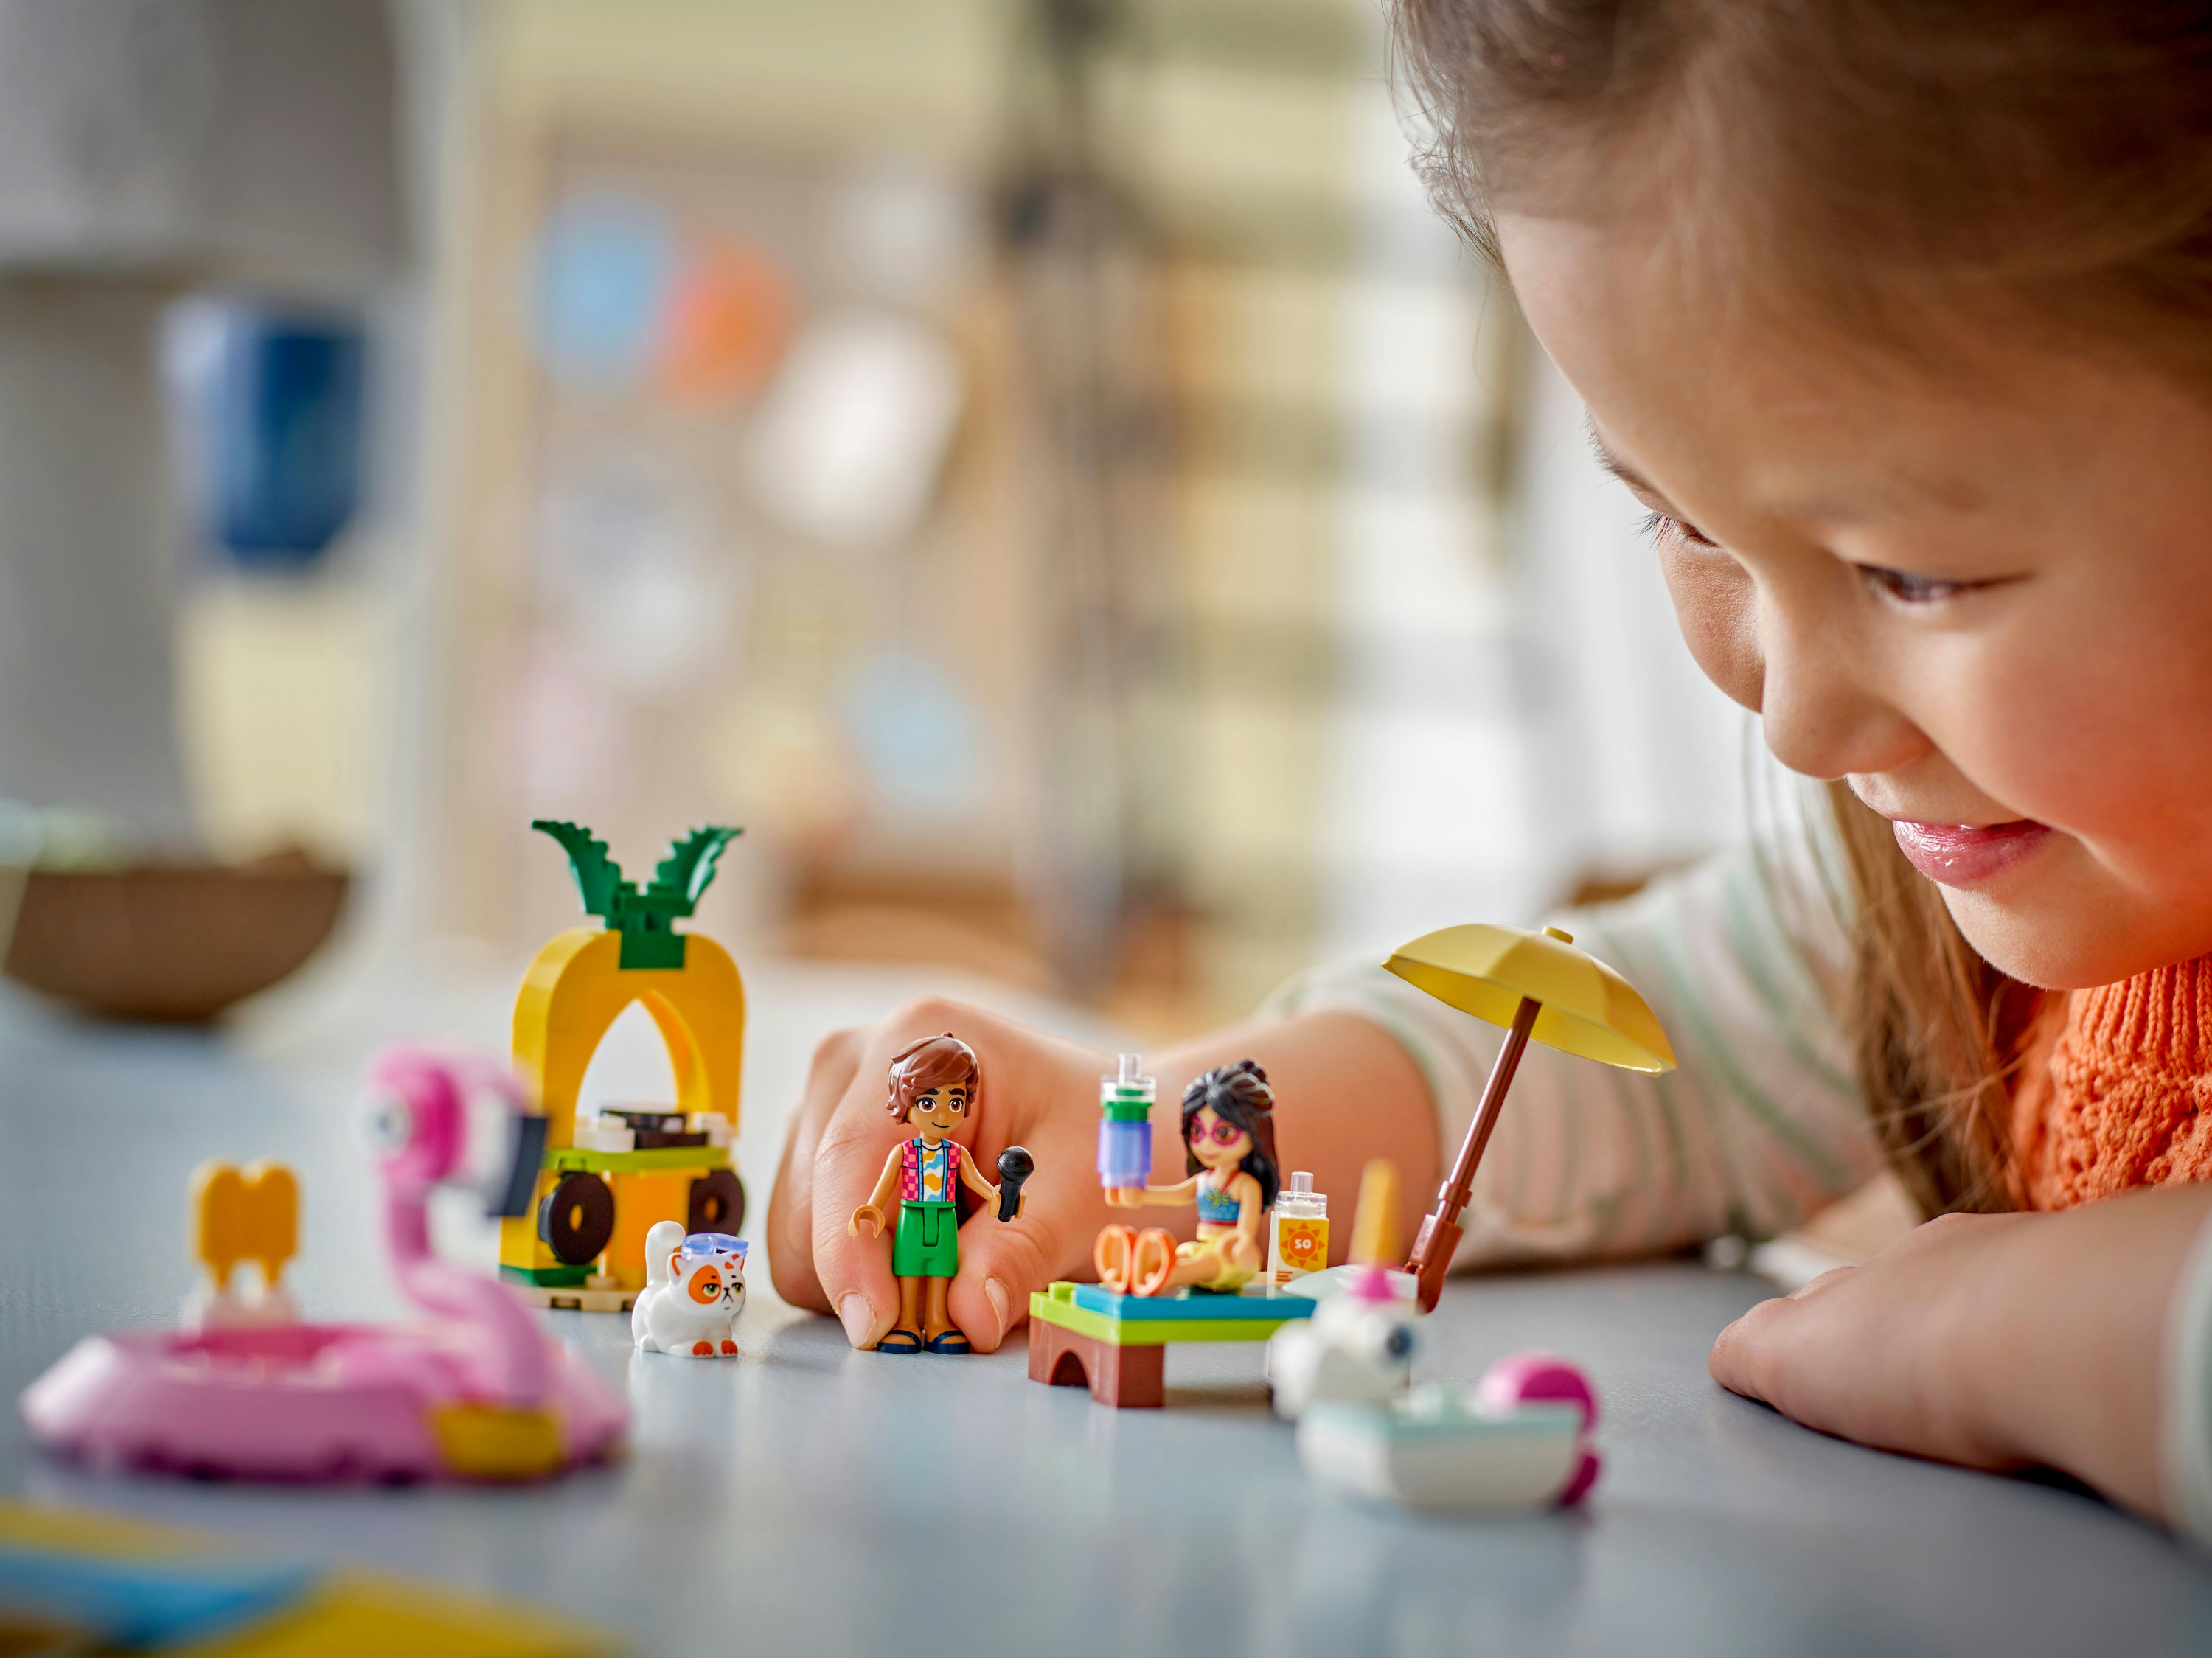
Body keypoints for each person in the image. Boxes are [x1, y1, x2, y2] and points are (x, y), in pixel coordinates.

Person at [770, 0, 2212, 1544]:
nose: (1788, 723)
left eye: (1917, 572)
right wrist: (1151, 1125)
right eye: (1683, 521)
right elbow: (1628, 1054)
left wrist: (2064, 1331)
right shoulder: (1926, 893)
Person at [846, 1032, 1010, 1354]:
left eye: (955, 1101)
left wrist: (997, 1196)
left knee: (941, 1271)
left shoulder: (957, 1154)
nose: (943, 1114)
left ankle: (937, 1322)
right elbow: (884, 1187)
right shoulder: (904, 1152)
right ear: (906, 1104)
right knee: (908, 1270)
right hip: (913, 1216)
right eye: (927, 1102)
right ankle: (906, 1322)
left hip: (945, 1218)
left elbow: (977, 1182)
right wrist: (871, 1209)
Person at [1096, 1061, 1280, 1296]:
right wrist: (1138, 1194)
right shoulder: (1204, 1180)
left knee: (1204, 1264)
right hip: (1203, 1248)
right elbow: (1175, 1194)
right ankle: (1134, 1265)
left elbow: (1246, 1233)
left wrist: (1239, 1242)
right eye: (1197, 1131)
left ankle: (1166, 1276)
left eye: (1223, 1133)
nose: (1206, 1144)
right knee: (1183, 1252)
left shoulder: (1245, 1185)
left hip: (1231, 1258)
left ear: (1255, 1132)